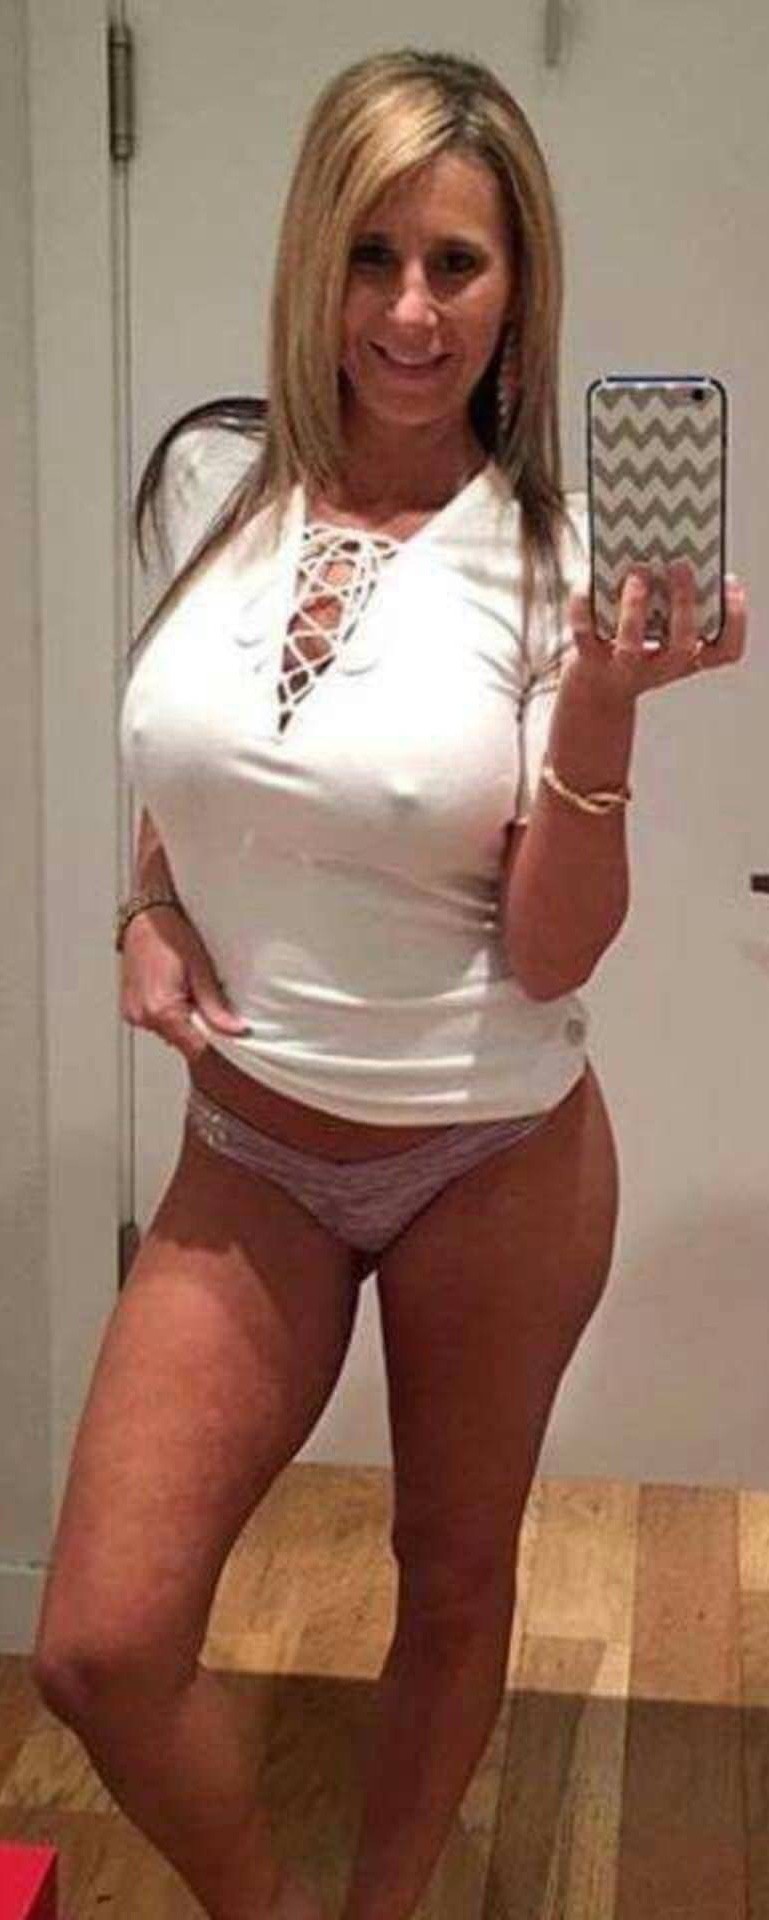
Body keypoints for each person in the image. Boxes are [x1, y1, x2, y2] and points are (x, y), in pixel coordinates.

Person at [31, 44, 747, 1920]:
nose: (410, 312)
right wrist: (143, 905)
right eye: (371, 255)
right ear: (312, 261)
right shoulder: (208, 479)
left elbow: (551, 949)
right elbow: (195, 763)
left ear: (517, 292)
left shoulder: (552, 566)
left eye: (456, 263)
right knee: (99, 1645)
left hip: (490, 1153)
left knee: (450, 1579)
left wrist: (602, 701)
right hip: (249, 1150)